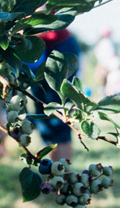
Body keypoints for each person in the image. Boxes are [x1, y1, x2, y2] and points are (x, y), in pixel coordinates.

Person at [26, 26, 81, 162]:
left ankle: (62, 175)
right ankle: (54, 174)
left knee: (59, 114)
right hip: (38, 51)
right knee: (43, 113)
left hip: (58, 47)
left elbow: (41, 22)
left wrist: (19, 36)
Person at [93, 27, 119, 98]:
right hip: (108, 68)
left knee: (102, 87)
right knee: (109, 87)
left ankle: (101, 101)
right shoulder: (109, 43)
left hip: (101, 67)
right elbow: (112, 55)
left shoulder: (100, 43)